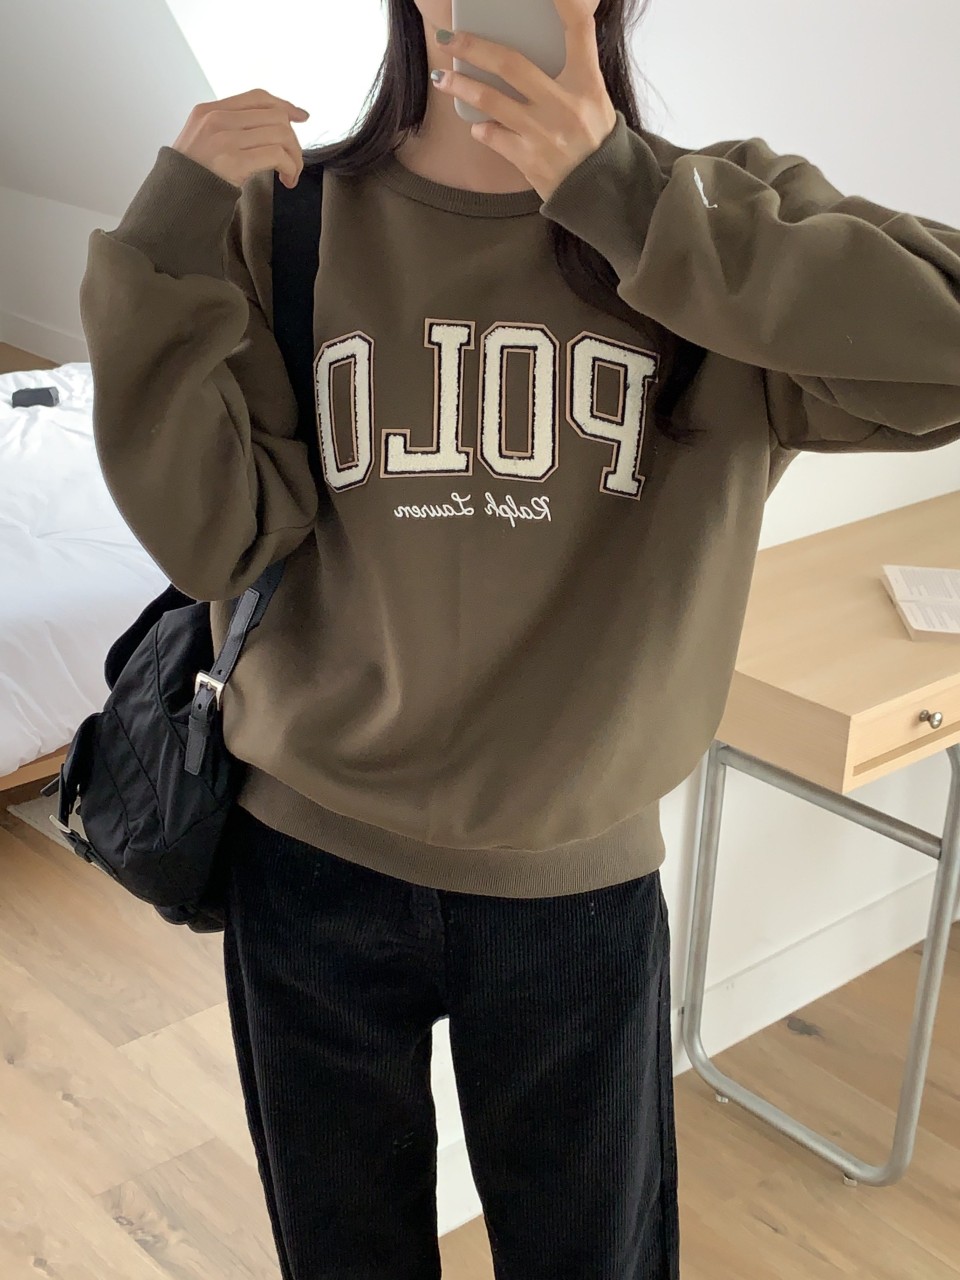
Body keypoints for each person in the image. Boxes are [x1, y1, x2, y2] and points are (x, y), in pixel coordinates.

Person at [78, 0, 960, 1275]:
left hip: (572, 893)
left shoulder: (704, 220)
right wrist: (162, 245)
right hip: (308, 863)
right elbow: (219, 538)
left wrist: (625, 200)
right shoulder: (287, 219)